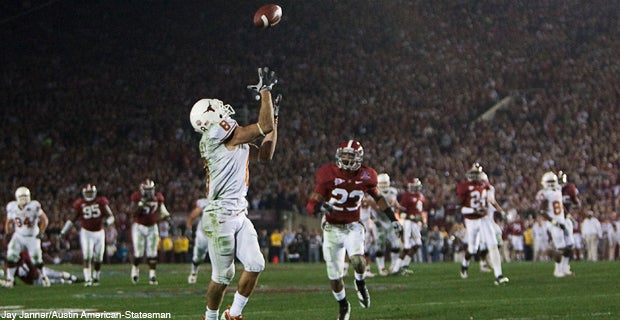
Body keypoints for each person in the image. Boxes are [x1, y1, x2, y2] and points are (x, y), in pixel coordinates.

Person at [189, 66, 279, 320]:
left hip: (239, 211)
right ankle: (210, 318)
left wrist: (275, 122)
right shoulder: (215, 134)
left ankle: (234, 314)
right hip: (220, 216)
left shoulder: (230, 138)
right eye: (215, 107)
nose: (222, 108)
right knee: (223, 276)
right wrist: (265, 92)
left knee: (256, 264)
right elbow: (262, 125)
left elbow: (265, 154)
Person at [305, 140, 402, 320]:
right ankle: (343, 305)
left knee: (358, 260)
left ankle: (360, 283)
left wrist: (393, 219)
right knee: (335, 277)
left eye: (351, 156)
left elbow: (380, 199)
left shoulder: (367, 176)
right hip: (332, 228)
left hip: (353, 226)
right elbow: (310, 205)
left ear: (359, 158)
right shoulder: (328, 174)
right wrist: (320, 208)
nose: (347, 159)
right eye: (345, 155)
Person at [456, 164, 509, 285]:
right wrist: (473, 211)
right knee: (473, 248)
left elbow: (491, 201)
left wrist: (500, 211)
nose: (475, 176)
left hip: (484, 218)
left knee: (493, 244)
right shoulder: (464, 187)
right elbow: (460, 208)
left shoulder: (485, 184)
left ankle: (498, 276)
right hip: (471, 220)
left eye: (477, 174)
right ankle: (465, 265)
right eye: (473, 174)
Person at [59, 184, 115, 286]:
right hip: (86, 232)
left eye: (91, 193)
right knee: (87, 255)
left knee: (99, 257)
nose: (89, 195)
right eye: (87, 193)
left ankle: (96, 277)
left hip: (99, 232)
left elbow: (111, 216)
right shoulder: (80, 204)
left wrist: (107, 222)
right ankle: (88, 279)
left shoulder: (101, 202)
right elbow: (72, 219)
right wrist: (63, 231)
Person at [3, 186, 50, 288]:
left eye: (25, 196)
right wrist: (7, 233)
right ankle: (9, 279)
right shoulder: (12, 207)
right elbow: (8, 222)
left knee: (37, 259)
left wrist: (41, 232)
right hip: (19, 235)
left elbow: (44, 220)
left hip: (32, 236)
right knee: (11, 255)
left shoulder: (34, 206)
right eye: (21, 197)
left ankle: (44, 277)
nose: (23, 199)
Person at [130, 179, 172, 285]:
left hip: (153, 227)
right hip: (139, 227)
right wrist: (141, 204)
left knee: (152, 252)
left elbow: (162, 210)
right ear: (142, 190)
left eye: (150, 189)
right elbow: (133, 213)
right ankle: (135, 269)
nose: (149, 192)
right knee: (138, 253)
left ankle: (152, 275)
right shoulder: (137, 197)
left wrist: (167, 216)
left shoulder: (158, 197)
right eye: (147, 190)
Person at [536, 171, 573, 277]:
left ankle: (565, 268)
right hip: (554, 222)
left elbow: (560, 204)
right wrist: (554, 221)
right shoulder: (546, 194)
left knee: (569, 245)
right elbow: (542, 211)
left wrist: (567, 216)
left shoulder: (556, 190)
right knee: (560, 247)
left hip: (561, 220)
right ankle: (557, 270)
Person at [392, 177, 428, 275]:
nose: (416, 189)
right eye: (414, 187)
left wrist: (423, 222)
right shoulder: (406, 196)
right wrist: (410, 216)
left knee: (417, 244)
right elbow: (401, 213)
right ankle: (396, 269)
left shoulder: (421, 196)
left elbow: (421, 211)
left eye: (417, 187)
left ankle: (404, 266)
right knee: (407, 246)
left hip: (417, 223)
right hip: (408, 222)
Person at [370, 173, 402, 276]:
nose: (383, 185)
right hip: (378, 221)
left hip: (390, 220)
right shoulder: (374, 192)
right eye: (381, 183)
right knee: (380, 246)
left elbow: (393, 202)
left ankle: (393, 266)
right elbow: (376, 206)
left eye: (385, 183)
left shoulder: (393, 191)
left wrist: (398, 207)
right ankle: (381, 268)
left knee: (396, 244)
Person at [0, 251, 81, 287]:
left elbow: (34, 263)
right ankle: (70, 281)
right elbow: (12, 281)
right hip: (35, 280)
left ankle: (74, 278)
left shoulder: (24, 255)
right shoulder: (10, 267)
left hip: (39, 272)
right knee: (57, 281)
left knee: (58, 274)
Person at [186, 198, 209, 284]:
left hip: (217, 233)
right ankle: (193, 273)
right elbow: (192, 215)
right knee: (199, 254)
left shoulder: (226, 202)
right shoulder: (205, 203)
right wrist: (188, 227)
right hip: (203, 232)